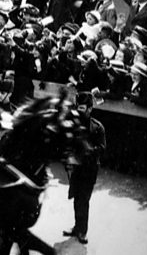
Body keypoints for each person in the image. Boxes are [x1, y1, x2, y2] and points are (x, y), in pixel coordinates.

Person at [64, 91, 105, 245]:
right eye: (77, 108)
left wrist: (87, 151)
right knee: (76, 197)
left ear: (90, 109)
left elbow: (102, 148)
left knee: (84, 199)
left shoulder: (97, 127)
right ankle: (77, 227)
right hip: (76, 168)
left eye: (82, 108)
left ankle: (82, 231)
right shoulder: (73, 124)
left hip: (89, 169)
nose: (79, 111)